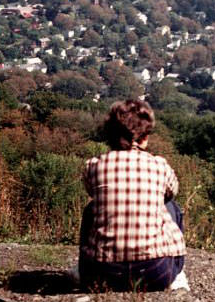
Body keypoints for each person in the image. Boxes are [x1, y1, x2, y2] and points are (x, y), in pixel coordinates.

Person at [77, 100, 188, 292]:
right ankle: (176, 276)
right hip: (156, 273)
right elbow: (173, 191)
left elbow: (92, 192)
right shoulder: (159, 166)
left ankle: (85, 267)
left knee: (91, 208)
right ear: (145, 137)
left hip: (102, 273)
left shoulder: (94, 166)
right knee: (172, 206)